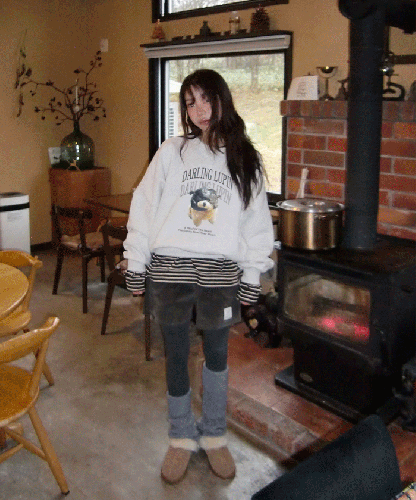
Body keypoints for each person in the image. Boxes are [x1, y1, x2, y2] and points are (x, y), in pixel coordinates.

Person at [123, 68, 274, 484]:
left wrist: (252, 272)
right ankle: (181, 437)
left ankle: (214, 435)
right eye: (190, 102)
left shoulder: (245, 158)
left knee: (218, 356)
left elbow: (255, 222)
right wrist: (135, 261)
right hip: (169, 270)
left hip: (219, 275)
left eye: (206, 98)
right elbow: (144, 205)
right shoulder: (172, 152)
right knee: (175, 354)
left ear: (222, 99)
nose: (200, 109)